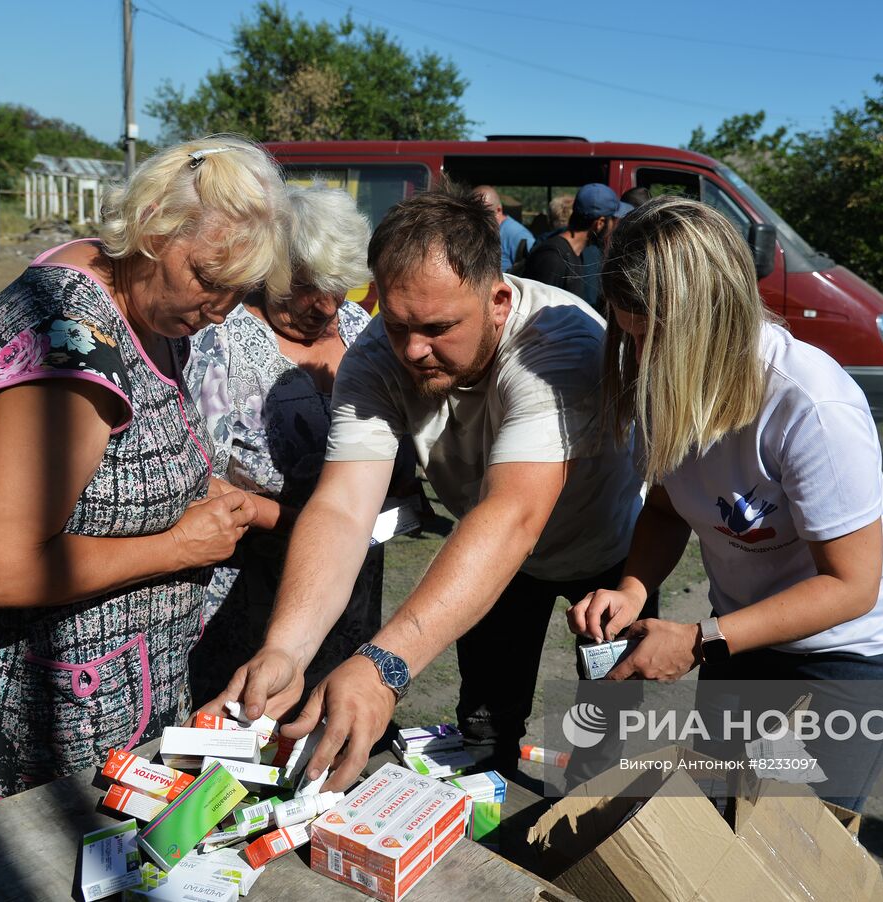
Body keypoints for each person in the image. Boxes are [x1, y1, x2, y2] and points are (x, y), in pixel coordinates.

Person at [208, 185, 649, 788]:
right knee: (485, 727)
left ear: (498, 301)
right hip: (493, 558)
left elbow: (513, 513)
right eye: (397, 325)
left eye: (440, 327)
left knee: (611, 736)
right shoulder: (375, 357)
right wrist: (287, 647)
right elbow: (341, 507)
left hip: (597, 549)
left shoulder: (560, 348)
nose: (414, 351)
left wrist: (385, 663)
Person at [0, 136, 287, 810]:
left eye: (237, 290)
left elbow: (114, 476)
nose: (219, 309)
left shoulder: (148, 307)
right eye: (208, 278)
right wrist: (179, 546)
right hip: (51, 707)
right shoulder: (73, 340)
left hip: (114, 690)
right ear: (154, 223)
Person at [568, 197, 883, 812]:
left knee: (797, 839)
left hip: (846, 656)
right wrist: (631, 588)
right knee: (714, 812)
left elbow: (851, 586)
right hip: (742, 639)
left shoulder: (810, 405)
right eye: (630, 337)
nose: (645, 361)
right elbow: (664, 508)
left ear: (712, 320)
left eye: (656, 341)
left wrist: (700, 640)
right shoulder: (664, 378)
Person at [185, 186, 412, 707]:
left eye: (340, 287)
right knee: (246, 722)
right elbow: (204, 488)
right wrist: (312, 526)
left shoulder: (362, 329)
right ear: (271, 269)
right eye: (308, 286)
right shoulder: (221, 342)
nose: (326, 306)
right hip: (248, 587)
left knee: (328, 712)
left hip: (352, 576)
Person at [520, 183, 630, 310]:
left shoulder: (576, 254)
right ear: (599, 223)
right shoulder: (552, 258)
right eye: (613, 221)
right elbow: (537, 317)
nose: (614, 227)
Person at [473, 184, 535, 271]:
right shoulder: (479, 232)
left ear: (498, 211)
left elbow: (534, 271)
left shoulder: (518, 235)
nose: (477, 218)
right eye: (472, 213)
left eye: (483, 213)